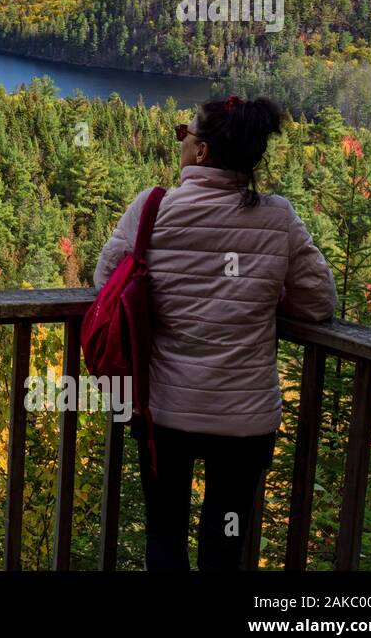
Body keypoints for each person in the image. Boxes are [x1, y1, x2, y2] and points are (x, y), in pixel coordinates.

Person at [93, 94, 337, 570]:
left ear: (201, 152)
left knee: (165, 534)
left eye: (185, 135)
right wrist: (263, 297)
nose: (181, 143)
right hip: (243, 425)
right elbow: (318, 303)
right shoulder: (278, 218)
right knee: (225, 543)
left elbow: (107, 286)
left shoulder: (152, 209)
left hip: (166, 413)